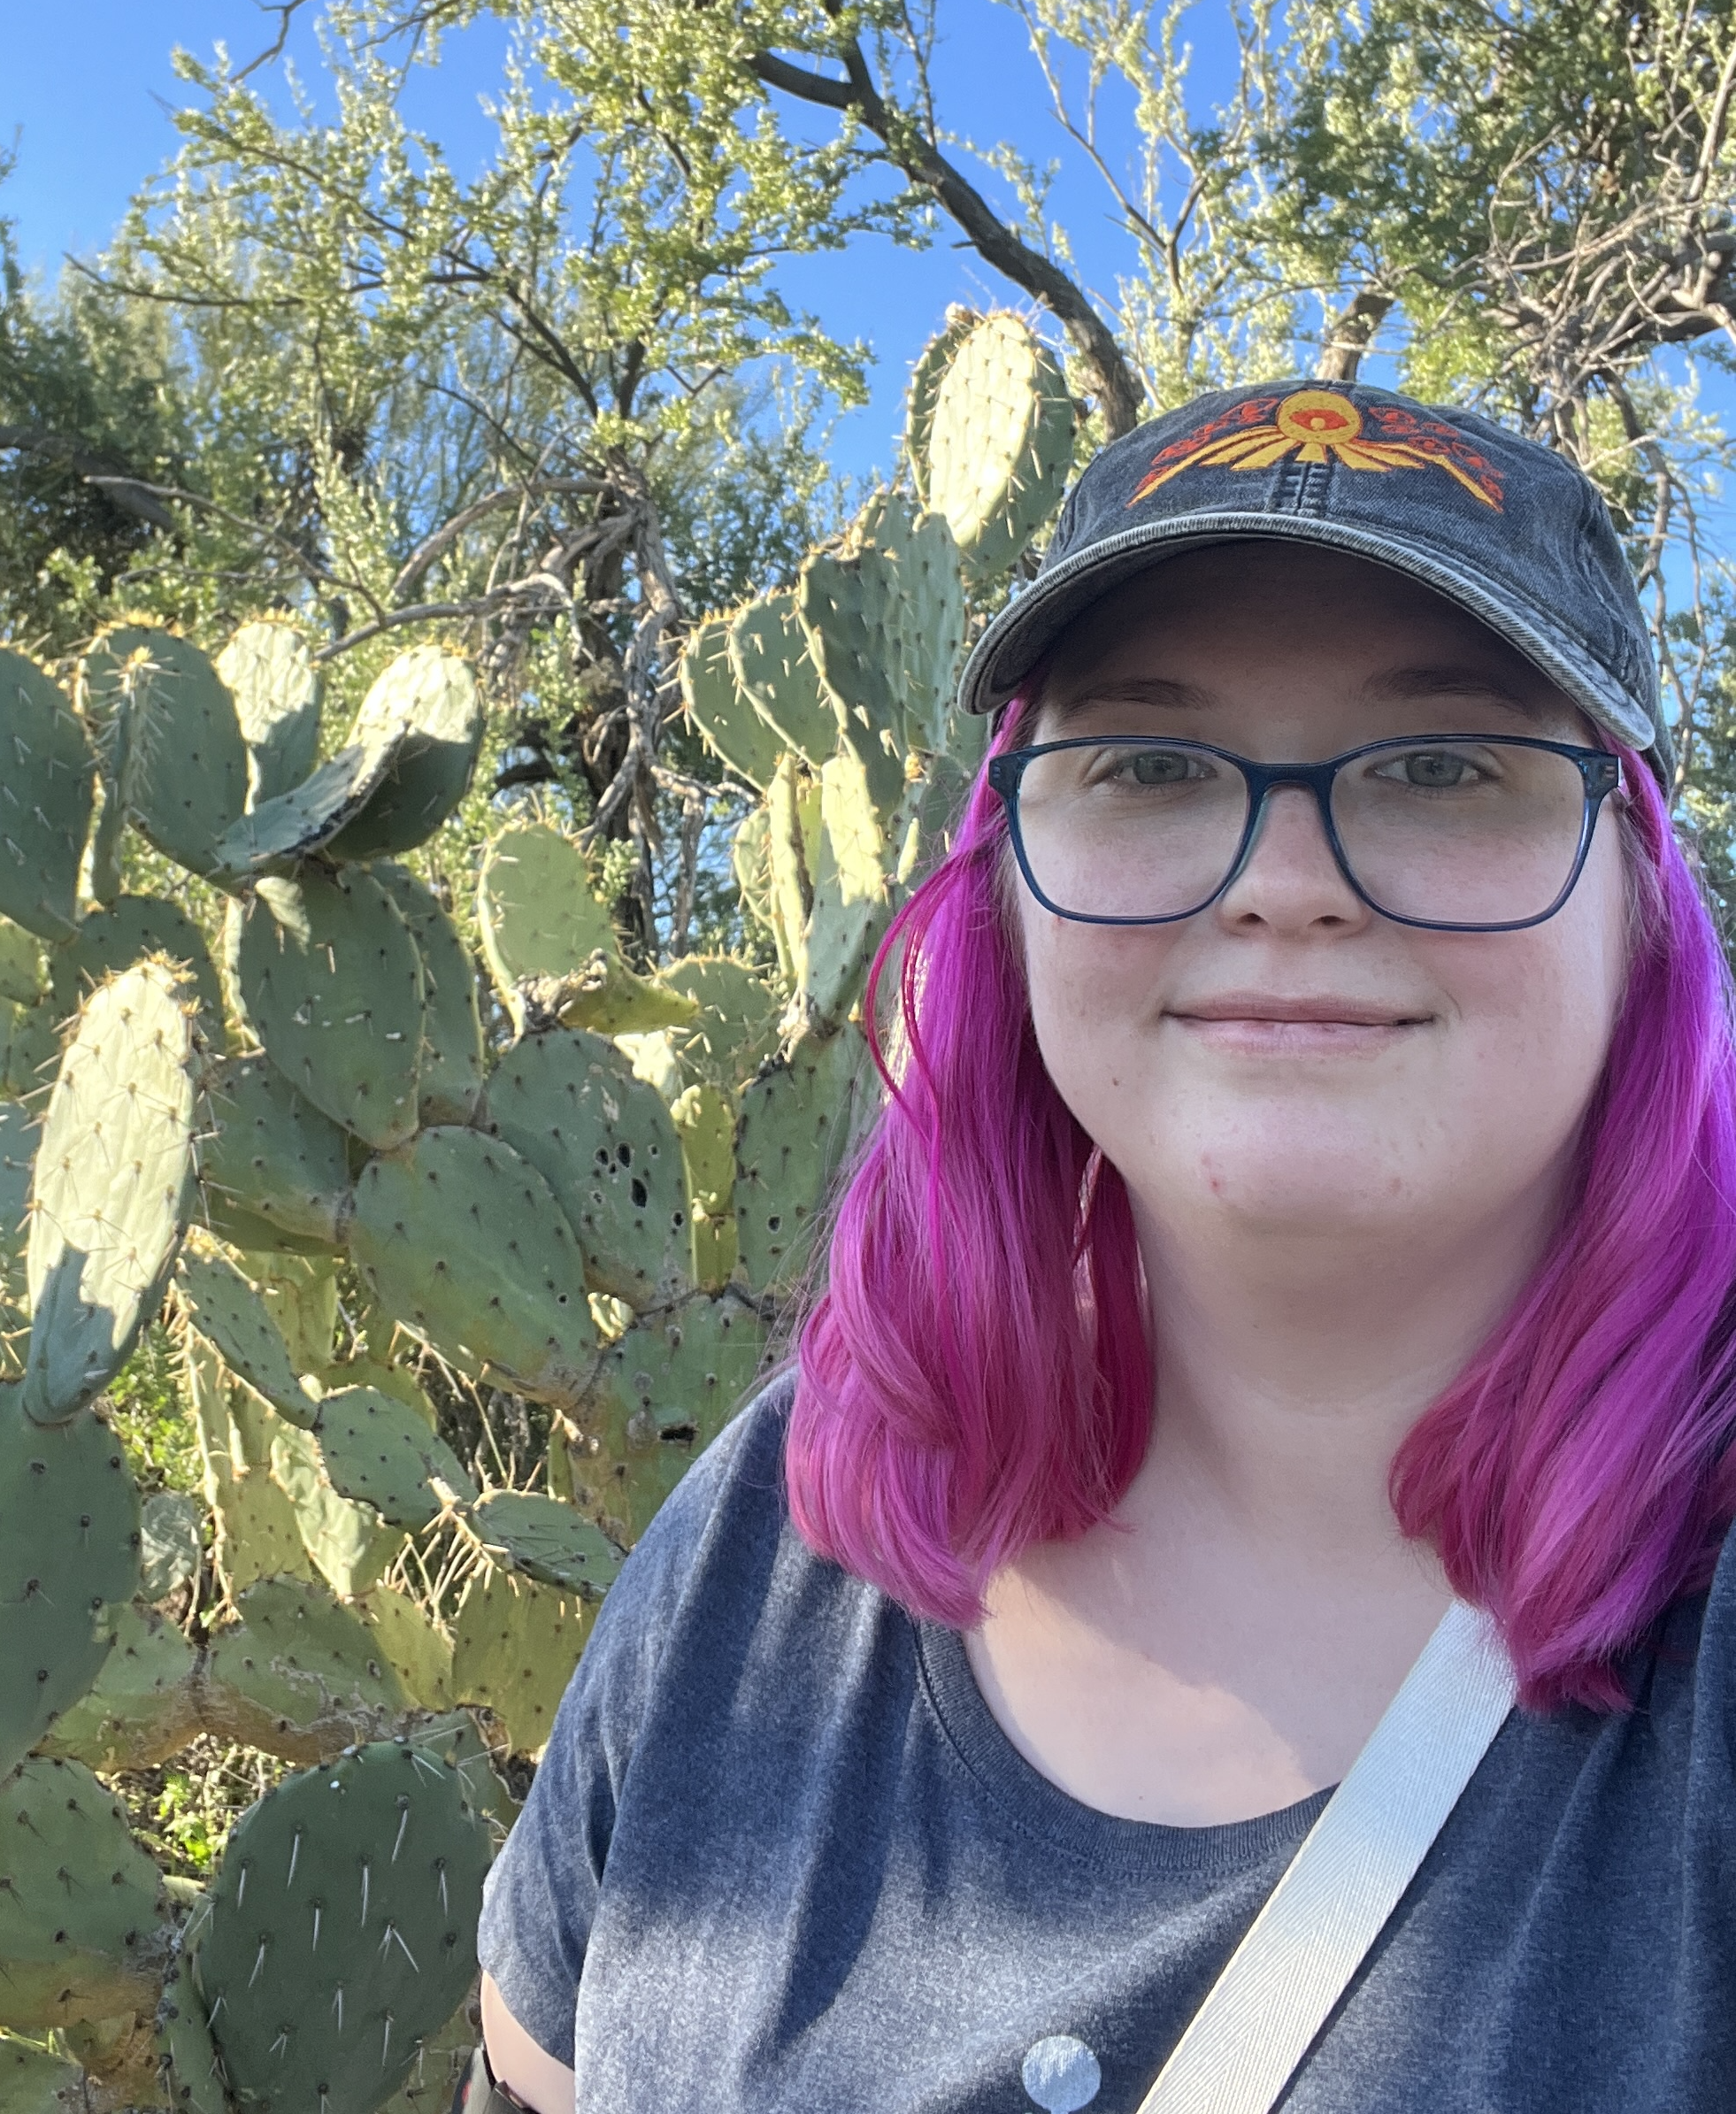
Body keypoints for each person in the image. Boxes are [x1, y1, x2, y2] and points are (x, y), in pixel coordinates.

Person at [467, 379, 1736, 2114]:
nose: (1283, 880)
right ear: (1010, 874)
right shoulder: (772, 1533)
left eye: (1447, 761)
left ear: (1640, 888)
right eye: (1147, 760)